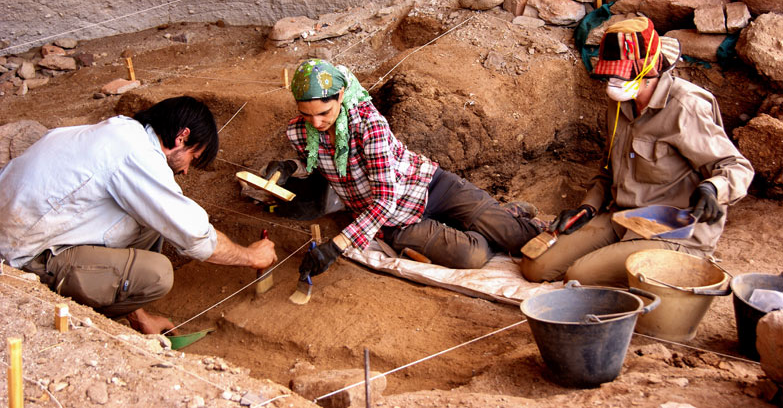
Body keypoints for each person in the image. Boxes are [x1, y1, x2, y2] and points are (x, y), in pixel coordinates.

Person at [0, 96, 277, 334]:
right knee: (157, 274)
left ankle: (129, 310)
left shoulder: (121, 132)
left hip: (32, 232)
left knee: (153, 222)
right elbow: (194, 235)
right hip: (24, 257)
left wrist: (139, 315)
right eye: (193, 157)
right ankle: (95, 320)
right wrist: (251, 256)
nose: (185, 170)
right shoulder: (135, 154)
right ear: (182, 137)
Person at [520, 17, 754, 286]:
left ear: (650, 68)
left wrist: (712, 189)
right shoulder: (620, 103)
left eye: (622, 73)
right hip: (624, 218)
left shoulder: (685, 106)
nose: (613, 81)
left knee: (580, 276)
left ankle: (678, 264)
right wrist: (587, 208)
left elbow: (736, 166)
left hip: (673, 230)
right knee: (536, 266)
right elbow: (608, 168)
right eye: (610, 74)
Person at [263, 59, 543, 279]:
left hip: (430, 185)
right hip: (393, 221)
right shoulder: (298, 132)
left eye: (324, 112)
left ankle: (499, 219)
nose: (316, 123)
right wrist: (290, 167)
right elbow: (317, 164)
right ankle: (482, 224)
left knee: (522, 238)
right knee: (473, 255)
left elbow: (385, 197)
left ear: (341, 95)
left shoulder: (368, 125)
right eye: (306, 114)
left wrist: (338, 245)